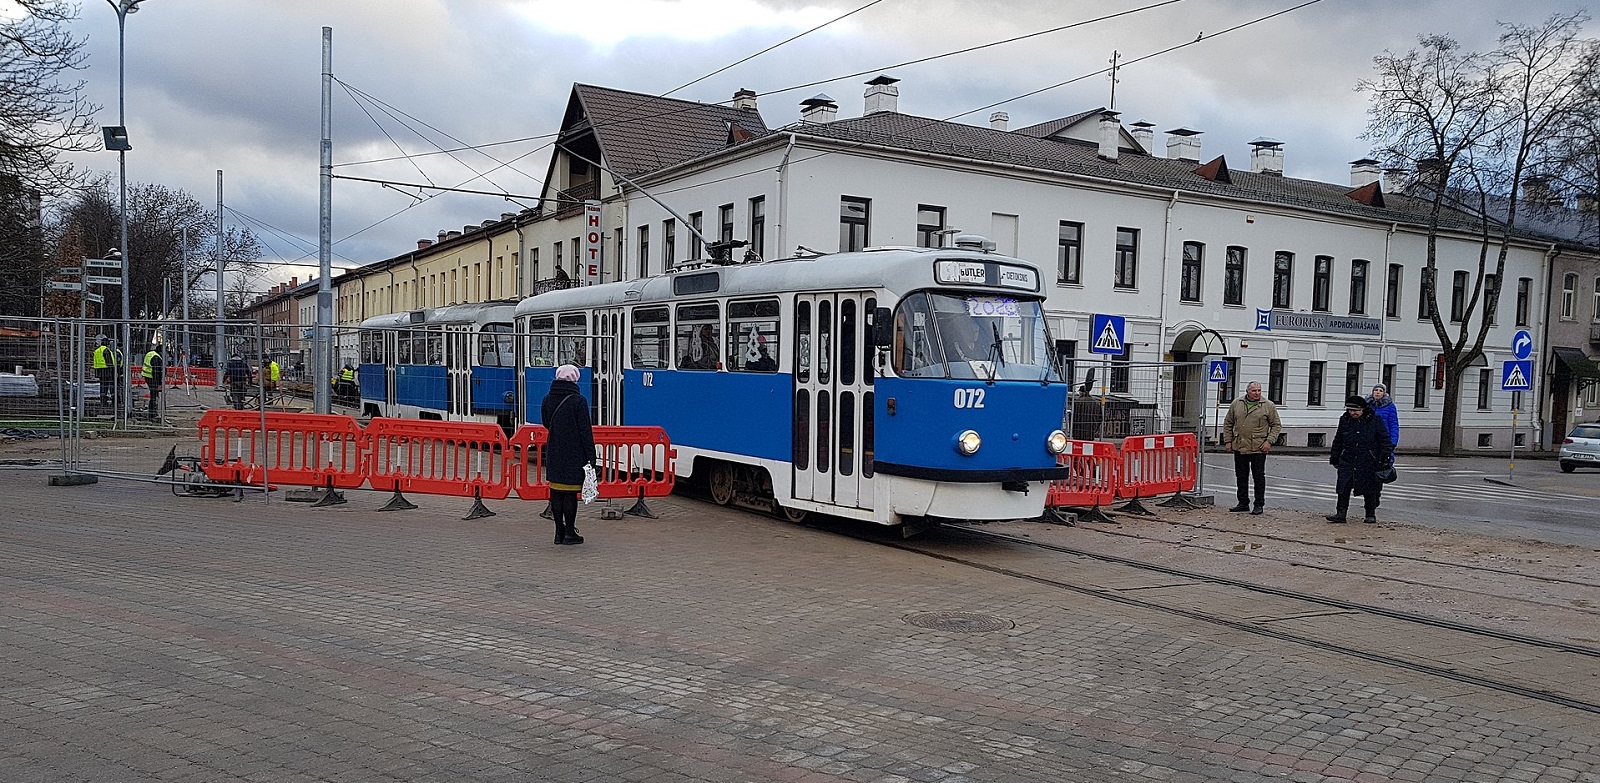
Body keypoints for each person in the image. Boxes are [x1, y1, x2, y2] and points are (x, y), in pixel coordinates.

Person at [541, 364, 595, 545]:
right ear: (575, 379)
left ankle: (558, 533)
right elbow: (585, 431)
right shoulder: (578, 401)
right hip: (574, 453)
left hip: (554, 450)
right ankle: (570, 532)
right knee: (570, 494)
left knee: (556, 492)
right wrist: (591, 456)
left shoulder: (548, 399)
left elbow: (546, 423)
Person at [1327, 395, 1394, 524]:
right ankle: (1341, 513)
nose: (1353, 413)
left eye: (1356, 410)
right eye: (1350, 410)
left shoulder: (1374, 420)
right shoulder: (1344, 419)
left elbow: (1384, 440)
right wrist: (1335, 456)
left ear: (1363, 409)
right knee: (1343, 486)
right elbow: (1339, 439)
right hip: (1347, 458)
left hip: (1368, 459)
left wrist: (1384, 459)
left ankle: (1370, 513)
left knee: (1370, 488)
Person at [1222, 380, 1281, 515]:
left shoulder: (1268, 406)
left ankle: (1259, 504)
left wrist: (1269, 441)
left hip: (1258, 448)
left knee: (1258, 476)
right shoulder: (1237, 404)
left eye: (1259, 390)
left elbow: (1276, 425)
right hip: (1240, 446)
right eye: (1254, 391)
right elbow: (1228, 423)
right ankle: (1243, 503)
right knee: (1241, 476)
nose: (1257, 393)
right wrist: (1228, 441)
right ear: (1247, 391)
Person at [1367, 383, 1400, 454]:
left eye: (1380, 391)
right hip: (1368, 438)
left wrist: (1393, 441)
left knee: (1385, 459)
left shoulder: (1390, 406)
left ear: (1384, 393)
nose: (1378, 392)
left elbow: (1393, 425)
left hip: (1384, 438)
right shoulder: (1367, 405)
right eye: (1376, 390)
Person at [141, 344, 165, 422]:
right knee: (154, 396)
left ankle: (153, 412)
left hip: (148, 376)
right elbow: (157, 371)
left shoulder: (150, 354)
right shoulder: (156, 357)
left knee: (153, 395)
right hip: (152, 378)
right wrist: (159, 383)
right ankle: (152, 413)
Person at [92, 335, 115, 406]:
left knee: (102, 387)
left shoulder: (97, 350)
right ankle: (113, 401)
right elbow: (109, 362)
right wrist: (113, 371)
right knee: (110, 386)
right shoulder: (106, 350)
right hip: (107, 371)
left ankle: (103, 401)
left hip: (99, 371)